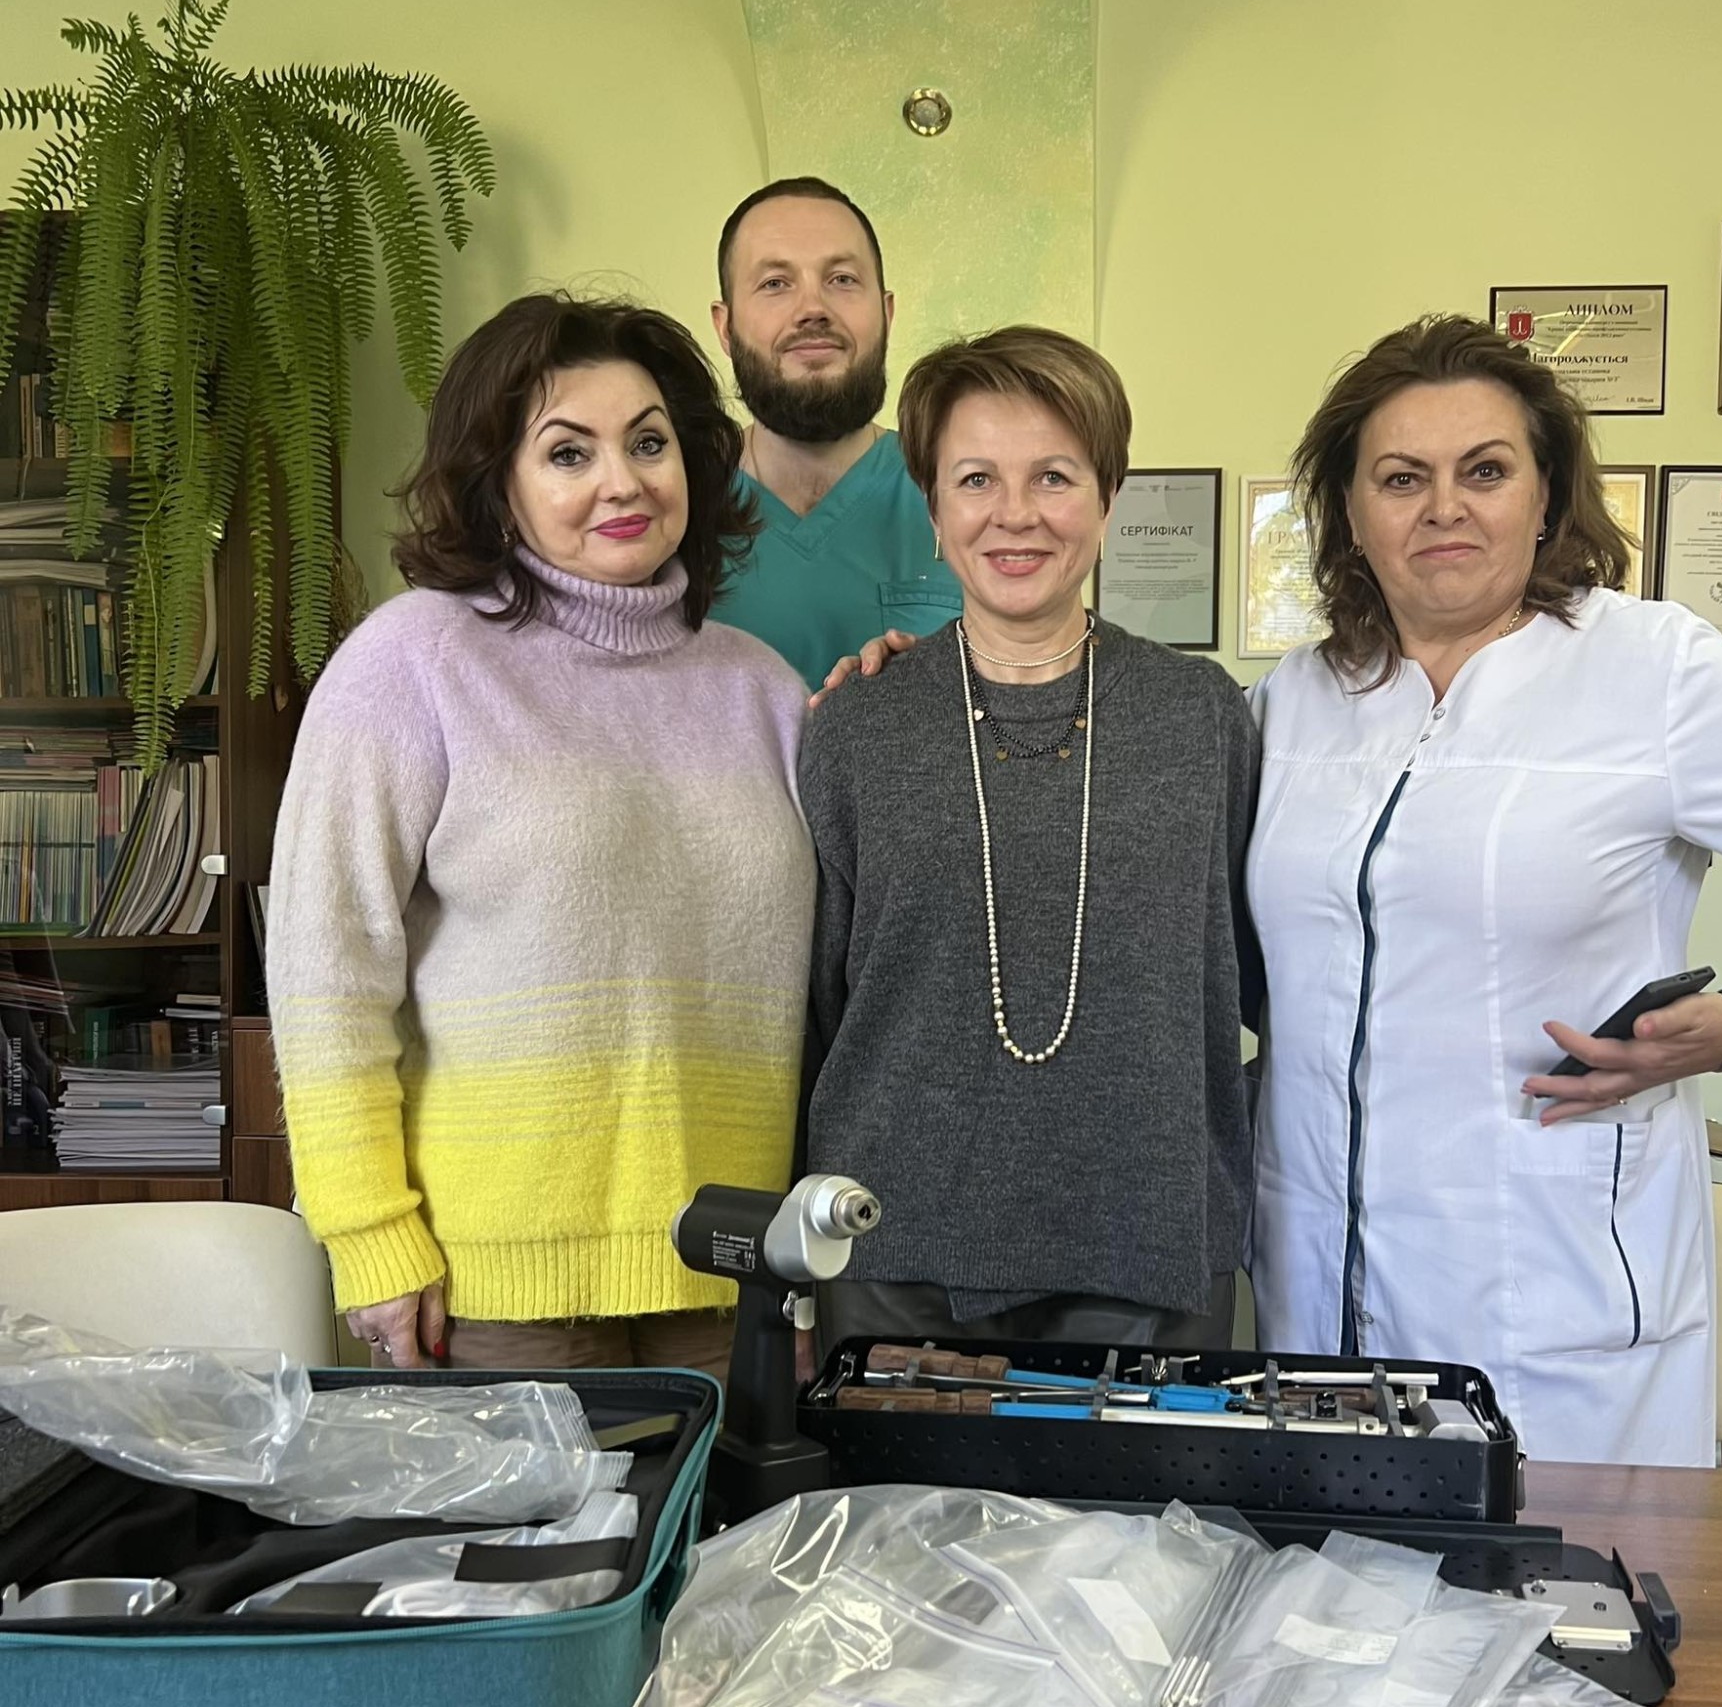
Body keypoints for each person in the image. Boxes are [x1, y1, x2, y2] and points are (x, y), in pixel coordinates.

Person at [1246, 313, 1722, 1466]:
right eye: (1402, 478)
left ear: (1547, 495)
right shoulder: (1296, 700)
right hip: (1320, 1282)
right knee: (1334, 1562)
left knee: (1573, 1571)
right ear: (1350, 512)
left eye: (1484, 470)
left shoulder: (1650, 669)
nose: (1444, 507)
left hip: (1557, 1280)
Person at [267, 294, 814, 1373]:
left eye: (649, 442)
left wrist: (800, 1268)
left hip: (732, 1280)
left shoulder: (766, 690)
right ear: (497, 481)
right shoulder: (412, 661)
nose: (624, 480)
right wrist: (370, 1236)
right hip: (488, 1294)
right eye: (569, 452)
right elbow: (326, 968)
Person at [801, 326, 1259, 1347]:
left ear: (1107, 497)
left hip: (1149, 1242)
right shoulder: (859, 724)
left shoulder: (1201, 715)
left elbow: (1259, 973)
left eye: (1054, 476)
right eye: (976, 479)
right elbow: (816, 1010)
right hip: (893, 1247)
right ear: (934, 511)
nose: (1015, 513)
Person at [707, 176, 961, 690]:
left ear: (886, 314)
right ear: (725, 328)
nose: (813, 308)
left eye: (842, 279)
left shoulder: (963, 491)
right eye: (775, 283)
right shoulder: (676, 506)